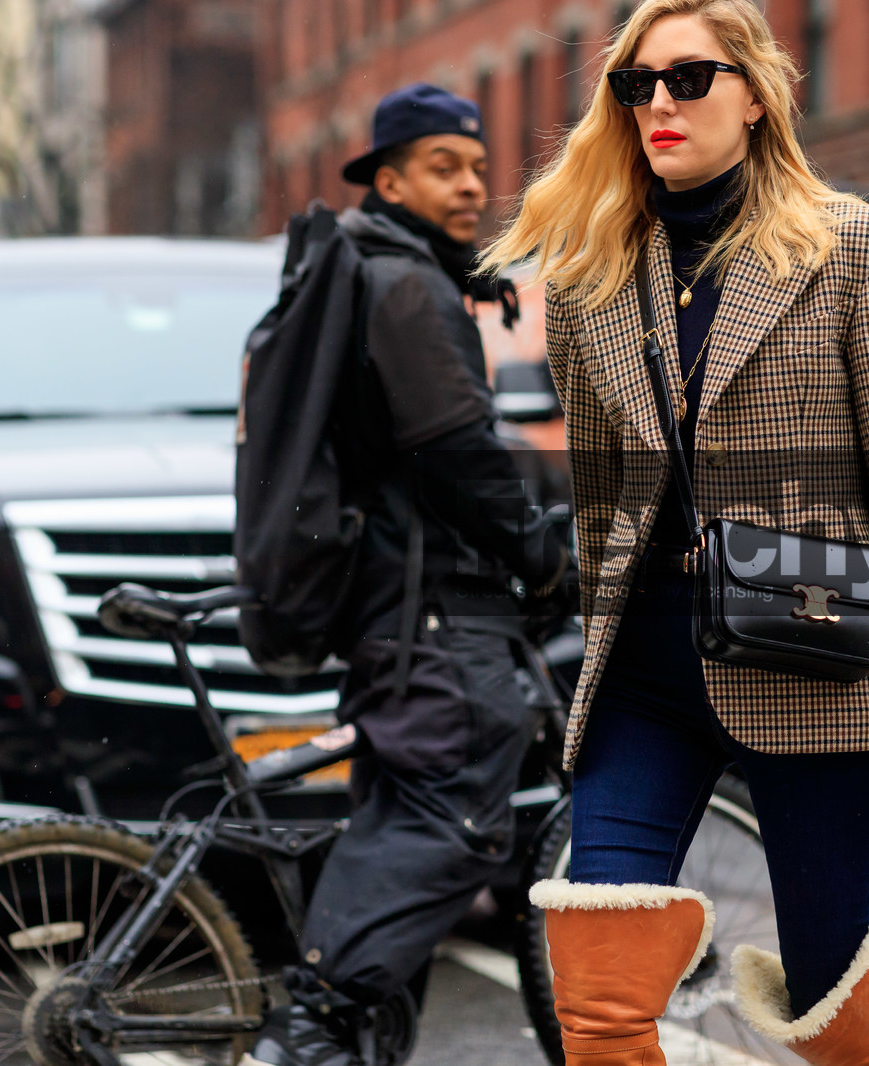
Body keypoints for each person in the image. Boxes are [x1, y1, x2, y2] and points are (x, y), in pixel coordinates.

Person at [480, 2, 869, 1064]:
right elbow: (603, 492)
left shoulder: (864, 251)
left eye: (688, 78)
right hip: (643, 681)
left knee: (835, 1006)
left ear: (755, 94)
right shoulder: (587, 278)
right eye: (634, 85)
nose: (657, 103)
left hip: (813, 663)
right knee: (599, 995)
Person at [242, 84, 571, 1066]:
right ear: (389, 179)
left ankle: (349, 1036)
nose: (471, 184)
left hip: (394, 620)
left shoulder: (380, 273)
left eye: (476, 165)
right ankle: (308, 1027)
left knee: (401, 821)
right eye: (442, 166)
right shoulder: (405, 285)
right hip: (435, 621)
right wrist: (542, 554)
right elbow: (456, 451)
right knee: (451, 824)